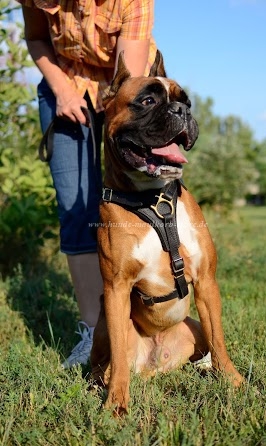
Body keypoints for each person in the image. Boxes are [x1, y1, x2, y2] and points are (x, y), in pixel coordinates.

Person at [19, 0, 157, 368]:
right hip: (64, 82)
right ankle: (94, 331)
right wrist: (63, 90)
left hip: (125, 88)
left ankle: (155, 321)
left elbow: (127, 78)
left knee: (143, 199)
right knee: (76, 206)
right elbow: (36, 38)